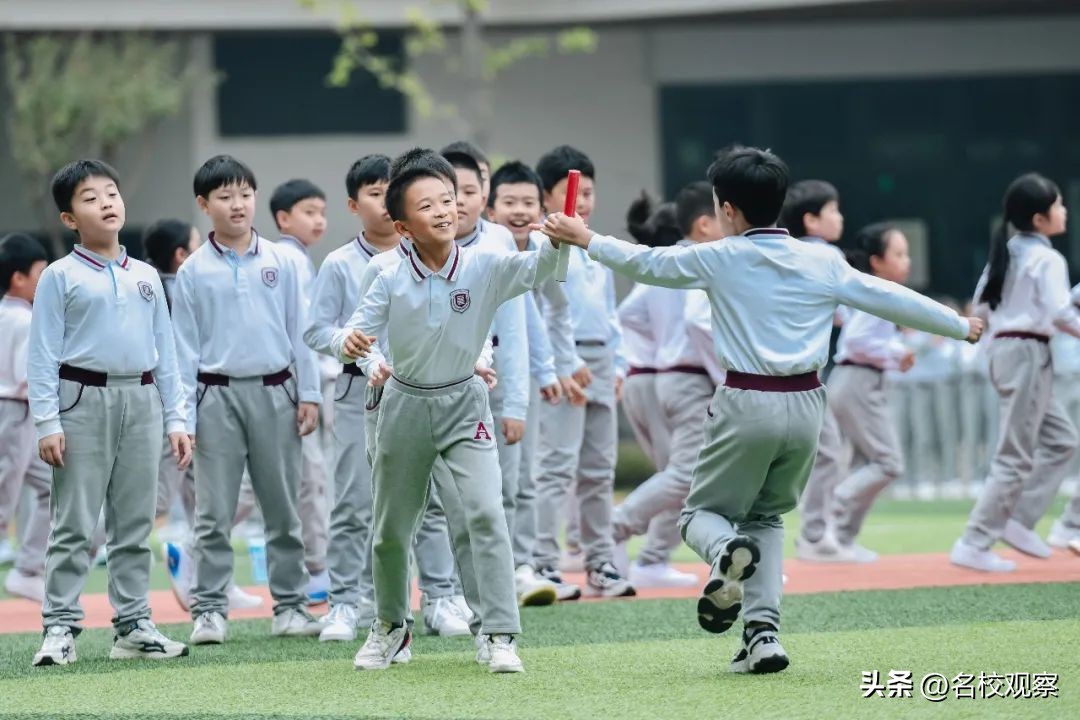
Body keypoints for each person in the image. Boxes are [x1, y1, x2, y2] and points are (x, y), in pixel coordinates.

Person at [537, 145, 982, 674]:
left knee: (699, 515)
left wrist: (584, 237)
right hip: (807, 405)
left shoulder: (720, 257)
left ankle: (725, 551)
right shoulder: (822, 259)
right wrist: (959, 325)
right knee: (768, 517)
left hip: (747, 400)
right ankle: (762, 636)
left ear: (726, 210)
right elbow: (887, 295)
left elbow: (648, 263)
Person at [336, 148, 562, 673]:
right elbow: (358, 333)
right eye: (427, 205)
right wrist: (352, 347)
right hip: (403, 406)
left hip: (466, 405)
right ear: (402, 225)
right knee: (392, 529)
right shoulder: (386, 271)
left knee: (485, 514)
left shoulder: (486, 264)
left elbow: (541, 267)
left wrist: (559, 237)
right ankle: (391, 628)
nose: (444, 210)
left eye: (449, 199)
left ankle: (498, 633)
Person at [28, 160, 192, 665]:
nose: (107, 203)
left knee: (134, 523)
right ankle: (59, 627)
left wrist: (176, 418)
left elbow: (165, 350)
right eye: (90, 197)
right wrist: (47, 421)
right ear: (69, 218)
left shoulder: (144, 275)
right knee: (74, 522)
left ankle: (134, 625)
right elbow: (42, 352)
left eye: (112, 193)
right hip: (81, 401)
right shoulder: (60, 276)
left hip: (141, 400)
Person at [172, 155, 323, 644]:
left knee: (283, 508)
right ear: (203, 204)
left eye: (244, 194)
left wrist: (311, 393)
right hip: (213, 398)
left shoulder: (284, 261)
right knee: (213, 513)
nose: (237, 205)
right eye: (224, 196)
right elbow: (183, 349)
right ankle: (210, 610)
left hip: (277, 392)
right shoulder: (193, 272)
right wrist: (183, 416)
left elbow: (302, 331)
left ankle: (291, 607)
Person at [953, 173, 1080, 571]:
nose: (1065, 211)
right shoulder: (1047, 258)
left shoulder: (1006, 253)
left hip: (1010, 350)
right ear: (1040, 220)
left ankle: (1021, 519)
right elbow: (1060, 312)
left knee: (1061, 440)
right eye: (1058, 205)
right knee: (1015, 455)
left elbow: (981, 309)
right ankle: (974, 540)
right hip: (1027, 351)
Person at [532, 145, 634, 598]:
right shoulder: (541, 245)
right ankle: (544, 563)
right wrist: (555, 366)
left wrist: (619, 365)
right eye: (574, 191)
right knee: (556, 467)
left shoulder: (596, 247)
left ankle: (600, 563)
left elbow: (610, 316)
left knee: (599, 470)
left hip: (599, 361)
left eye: (590, 192)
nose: (584, 201)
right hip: (562, 360)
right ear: (547, 198)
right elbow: (540, 313)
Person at [613, 183, 722, 588]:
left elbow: (629, 313)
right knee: (686, 476)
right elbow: (698, 320)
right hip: (684, 376)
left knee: (682, 475)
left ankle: (652, 555)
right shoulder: (698, 259)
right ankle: (615, 529)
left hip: (661, 373)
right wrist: (724, 375)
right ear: (704, 224)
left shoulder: (667, 260)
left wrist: (653, 347)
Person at [486, 160, 582, 603]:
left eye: (528, 202)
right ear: (491, 209)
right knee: (491, 480)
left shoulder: (546, 250)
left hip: (523, 375)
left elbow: (544, 317)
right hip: (482, 374)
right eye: (509, 202)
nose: (519, 211)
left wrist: (552, 369)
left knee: (523, 476)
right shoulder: (489, 254)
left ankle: (523, 564)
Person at [824, 223, 920, 562]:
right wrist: (896, 351)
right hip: (857, 381)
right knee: (887, 462)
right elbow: (857, 340)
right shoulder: (878, 292)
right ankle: (836, 503)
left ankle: (842, 539)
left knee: (867, 461)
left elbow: (863, 338)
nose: (906, 261)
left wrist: (895, 353)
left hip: (859, 380)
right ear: (877, 261)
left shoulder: (875, 292)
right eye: (899, 254)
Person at [270, 178, 334, 603]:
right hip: (299, 382)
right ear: (283, 218)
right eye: (309, 211)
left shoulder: (296, 259)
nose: (319, 220)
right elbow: (303, 332)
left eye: (322, 212)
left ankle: (317, 565)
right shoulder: (290, 260)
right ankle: (316, 568)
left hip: (303, 379)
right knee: (309, 476)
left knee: (307, 476)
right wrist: (308, 388)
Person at [781, 180, 850, 562]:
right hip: (806, 376)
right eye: (833, 211)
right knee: (828, 452)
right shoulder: (827, 255)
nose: (839, 218)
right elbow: (843, 311)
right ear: (811, 220)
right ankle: (815, 535)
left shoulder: (784, 253)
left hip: (761, 375)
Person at [0, 233, 51, 602]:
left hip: (18, 415)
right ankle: (27, 567)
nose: (44, 278)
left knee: (55, 484)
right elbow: (26, 378)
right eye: (40, 272)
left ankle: (29, 567)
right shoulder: (24, 320)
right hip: (14, 413)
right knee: (5, 495)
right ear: (19, 278)